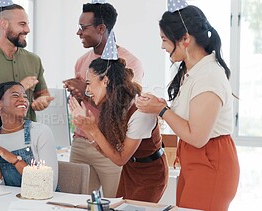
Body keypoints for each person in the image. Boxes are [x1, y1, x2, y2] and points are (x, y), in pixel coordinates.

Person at [136, 5, 239, 211]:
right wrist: (162, 106)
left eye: (165, 39)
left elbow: (197, 137)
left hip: (210, 162)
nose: (162, 47)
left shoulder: (208, 75)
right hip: (195, 161)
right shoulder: (193, 72)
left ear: (185, 39)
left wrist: (162, 110)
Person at [63, 2, 145, 197]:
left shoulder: (130, 63)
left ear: (101, 28)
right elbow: (85, 103)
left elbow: (124, 106)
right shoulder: (82, 61)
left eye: (83, 28)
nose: (78, 32)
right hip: (81, 142)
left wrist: (85, 92)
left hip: (111, 145)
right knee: (74, 202)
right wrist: (75, 96)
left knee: (115, 203)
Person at [69, 58, 168, 202]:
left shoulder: (140, 111)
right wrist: (87, 128)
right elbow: (109, 149)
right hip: (131, 169)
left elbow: (120, 158)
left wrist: (93, 129)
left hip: (150, 174)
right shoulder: (112, 105)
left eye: (89, 83)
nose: (87, 90)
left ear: (105, 81)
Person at [0, 2, 53, 161]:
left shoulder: (34, 60)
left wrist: (42, 101)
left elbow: (43, 94)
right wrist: (19, 87)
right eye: (22, 24)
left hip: (30, 149)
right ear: (4, 24)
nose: (27, 29)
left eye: (27, 24)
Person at [0, 81, 58, 190]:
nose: (23, 100)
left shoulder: (41, 132)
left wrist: (14, 160)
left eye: (25, 96)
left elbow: (49, 186)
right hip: (8, 205)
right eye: (15, 95)